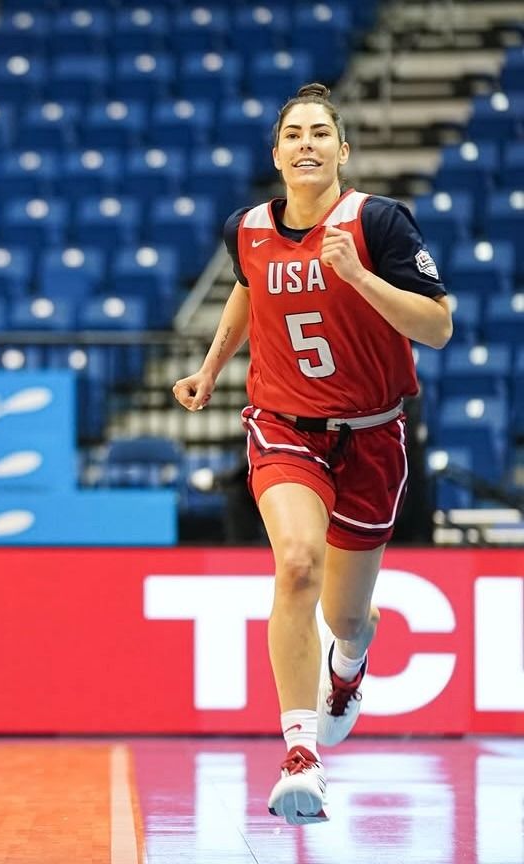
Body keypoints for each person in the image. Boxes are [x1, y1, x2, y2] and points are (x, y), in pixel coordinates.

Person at [173, 83, 452, 825]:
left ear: (341, 151)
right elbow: (247, 289)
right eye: (293, 133)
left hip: (373, 435)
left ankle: (349, 668)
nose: (306, 143)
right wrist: (210, 367)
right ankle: (301, 756)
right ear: (276, 153)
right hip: (283, 425)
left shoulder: (379, 223)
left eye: (320, 133)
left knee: (349, 621)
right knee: (295, 563)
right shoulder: (248, 229)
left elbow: (439, 328)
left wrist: (358, 277)